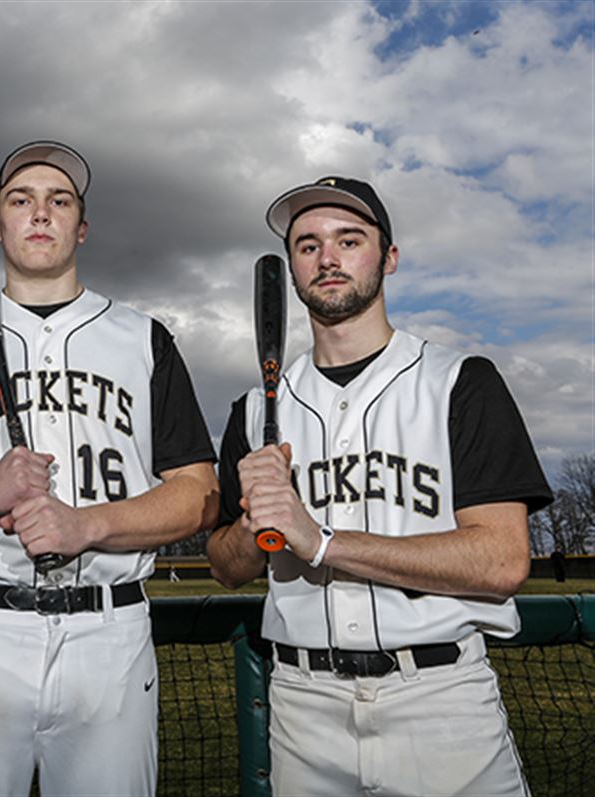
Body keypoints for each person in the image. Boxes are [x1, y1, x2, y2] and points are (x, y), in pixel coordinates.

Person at [206, 176, 553, 796]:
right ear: (291, 269)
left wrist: (322, 541)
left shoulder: (459, 383)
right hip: (302, 707)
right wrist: (254, 521)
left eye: (350, 239)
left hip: (441, 703)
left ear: (388, 258)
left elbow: (501, 560)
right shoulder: (257, 410)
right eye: (308, 245)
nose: (328, 257)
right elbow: (227, 568)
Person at [0, 140, 219, 796]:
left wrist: (87, 525)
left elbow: (197, 495)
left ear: (81, 226)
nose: (40, 212)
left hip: (110, 628)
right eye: (21, 200)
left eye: (59, 200)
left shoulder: (142, 337)